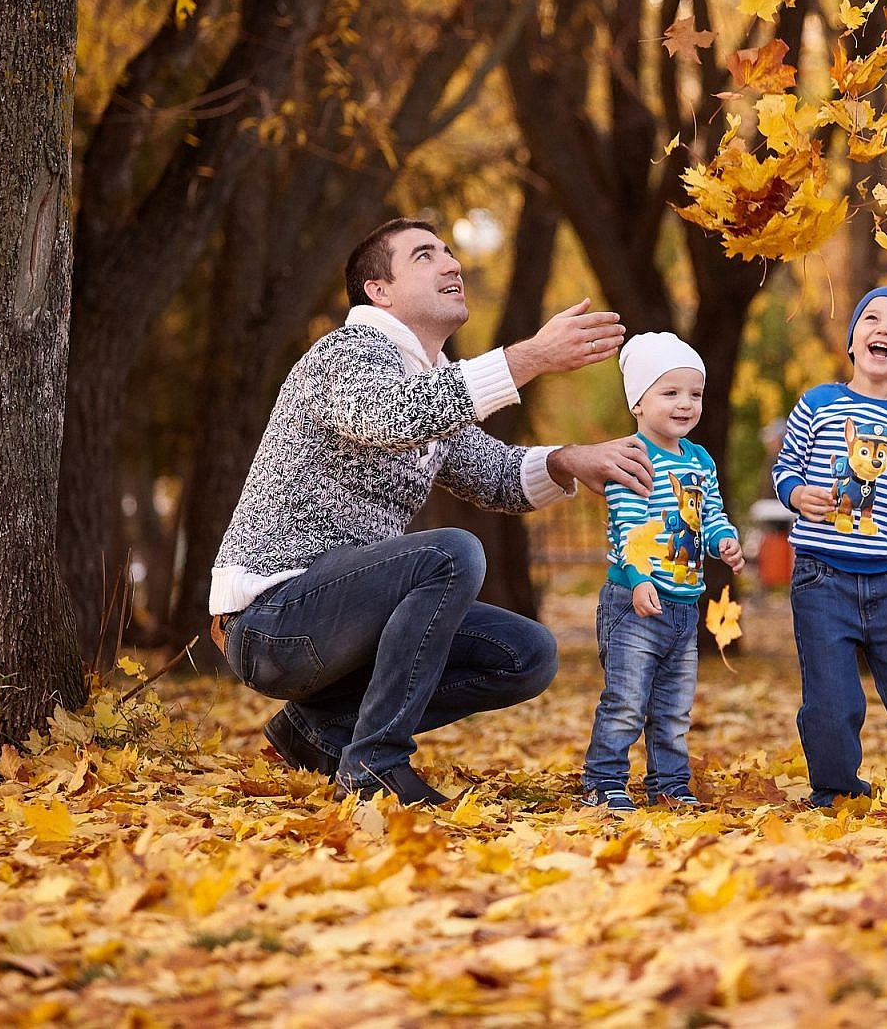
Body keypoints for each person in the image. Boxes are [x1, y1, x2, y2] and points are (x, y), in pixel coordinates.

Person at [209, 218, 652, 805]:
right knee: (451, 553)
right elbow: (389, 417)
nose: (452, 265)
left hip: (340, 627)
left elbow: (491, 474)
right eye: (425, 256)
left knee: (526, 655)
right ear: (379, 291)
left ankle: (320, 730)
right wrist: (529, 357)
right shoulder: (344, 354)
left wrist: (570, 460)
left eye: (450, 253)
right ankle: (376, 764)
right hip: (273, 622)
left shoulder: (431, 382)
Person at [772, 286, 887, 806]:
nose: (884, 329)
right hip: (821, 580)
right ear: (853, 341)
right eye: (872, 318)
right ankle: (836, 789)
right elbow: (784, 469)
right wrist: (797, 493)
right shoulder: (817, 404)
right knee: (831, 699)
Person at [581, 333, 743, 812]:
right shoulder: (630, 456)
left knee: (673, 706)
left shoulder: (700, 460)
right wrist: (638, 579)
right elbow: (625, 525)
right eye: (669, 393)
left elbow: (709, 515)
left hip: (683, 604)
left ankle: (669, 783)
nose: (684, 404)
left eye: (694, 393)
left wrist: (724, 540)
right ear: (638, 400)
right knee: (627, 700)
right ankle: (602, 780)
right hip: (635, 603)